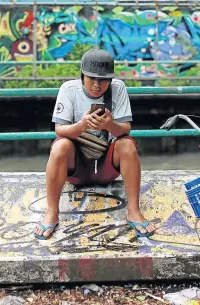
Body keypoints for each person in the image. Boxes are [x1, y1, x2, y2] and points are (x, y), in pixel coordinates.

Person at [34, 49, 156, 240]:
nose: (97, 85)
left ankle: (133, 211)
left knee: (128, 145)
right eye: (92, 79)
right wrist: (82, 126)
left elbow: (125, 130)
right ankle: (52, 212)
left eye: (103, 80)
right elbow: (60, 130)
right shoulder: (69, 89)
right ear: (82, 75)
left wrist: (109, 125)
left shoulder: (118, 88)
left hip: (107, 166)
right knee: (59, 146)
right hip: (76, 168)